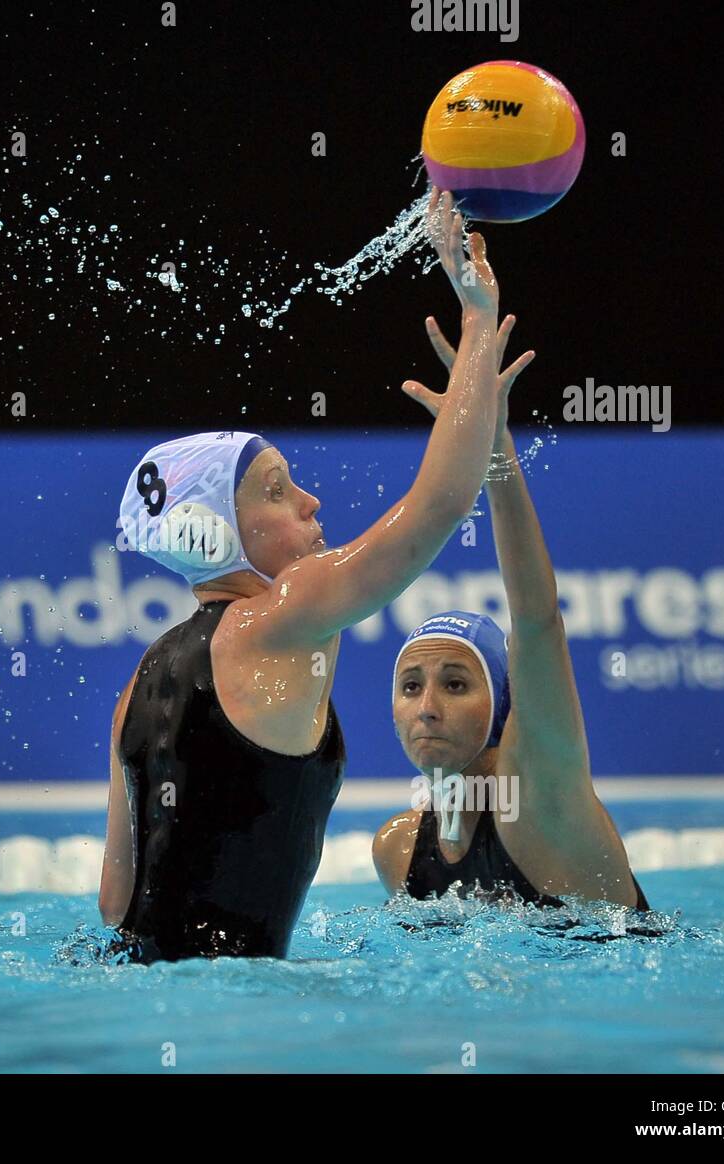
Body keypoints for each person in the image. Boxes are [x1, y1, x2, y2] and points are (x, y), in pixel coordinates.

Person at [99, 190, 521, 963]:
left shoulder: (142, 678)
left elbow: (113, 900)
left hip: (130, 984)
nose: (309, 501)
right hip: (224, 1010)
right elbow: (438, 510)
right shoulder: (280, 617)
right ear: (214, 534)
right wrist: (476, 323)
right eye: (276, 492)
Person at [372, 314, 650, 912]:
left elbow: (536, 619)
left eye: (455, 684)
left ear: (505, 701)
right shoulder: (397, 850)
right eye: (411, 685)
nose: (426, 707)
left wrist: (493, 445)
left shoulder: (545, 802)